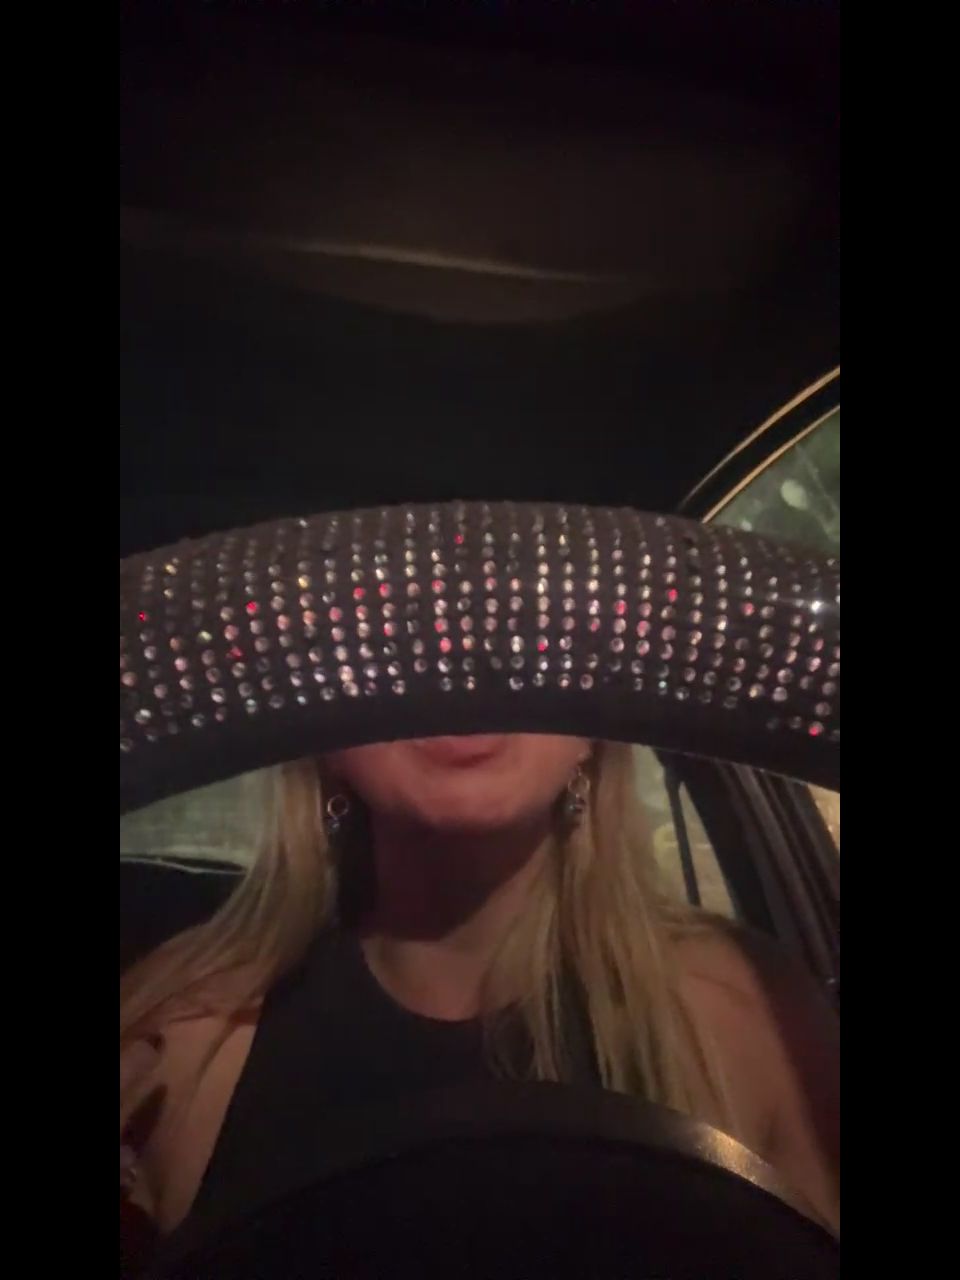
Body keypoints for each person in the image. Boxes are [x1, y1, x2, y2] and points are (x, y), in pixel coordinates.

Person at [120, 734, 840, 1255]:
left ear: (593, 733)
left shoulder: (753, 1020)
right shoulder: (179, 1035)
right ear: (326, 738)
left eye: (520, 622)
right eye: (398, 622)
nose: (460, 663)